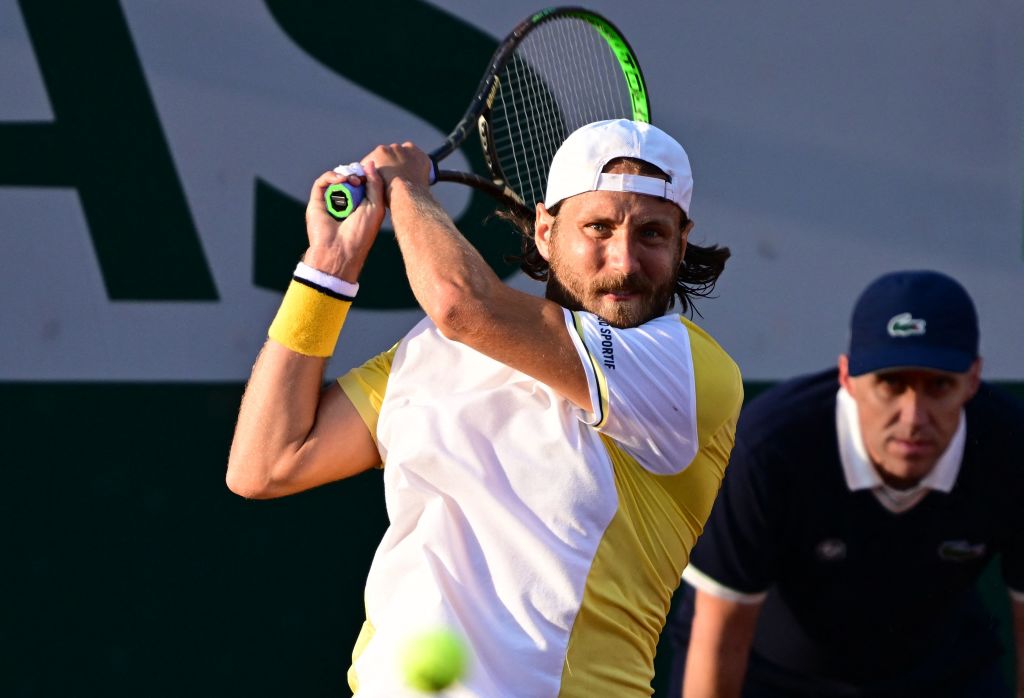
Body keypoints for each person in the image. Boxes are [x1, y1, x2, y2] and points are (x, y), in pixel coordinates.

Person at [226, 119, 743, 697]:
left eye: (651, 234)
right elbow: (267, 463)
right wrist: (328, 264)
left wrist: (408, 189)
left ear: (681, 239)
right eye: (598, 227)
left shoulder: (689, 371)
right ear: (546, 231)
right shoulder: (432, 352)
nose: (624, 260)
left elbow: (461, 304)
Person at [669, 270, 1024, 697]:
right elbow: (720, 636)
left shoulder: (1012, 450)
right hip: (771, 677)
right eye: (891, 384)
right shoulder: (768, 451)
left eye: (939, 386)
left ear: (972, 380)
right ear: (847, 377)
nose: (913, 417)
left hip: (943, 675)